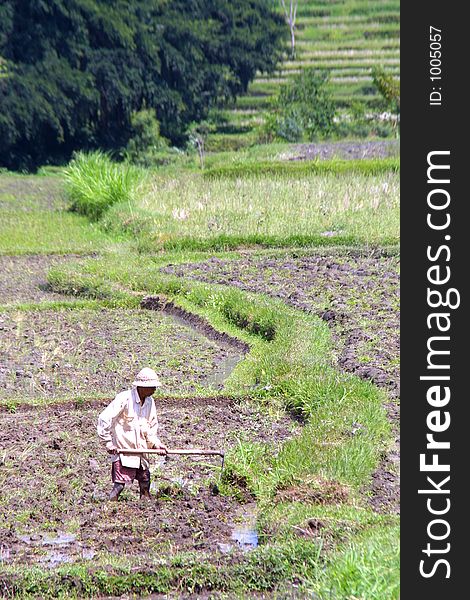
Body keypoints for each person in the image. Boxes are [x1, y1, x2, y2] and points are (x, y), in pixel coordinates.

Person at [97, 367, 167, 501]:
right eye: (151, 386)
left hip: (141, 451)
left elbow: (151, 428)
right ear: (141, 386)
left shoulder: (149, 402)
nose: (154, 390)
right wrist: (108, 442)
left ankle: (147, 512)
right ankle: (108, 509)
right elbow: (104, 418)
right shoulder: (125, 398)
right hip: (125, 451)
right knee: (119, 486)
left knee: (145, 484)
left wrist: (156, 445)